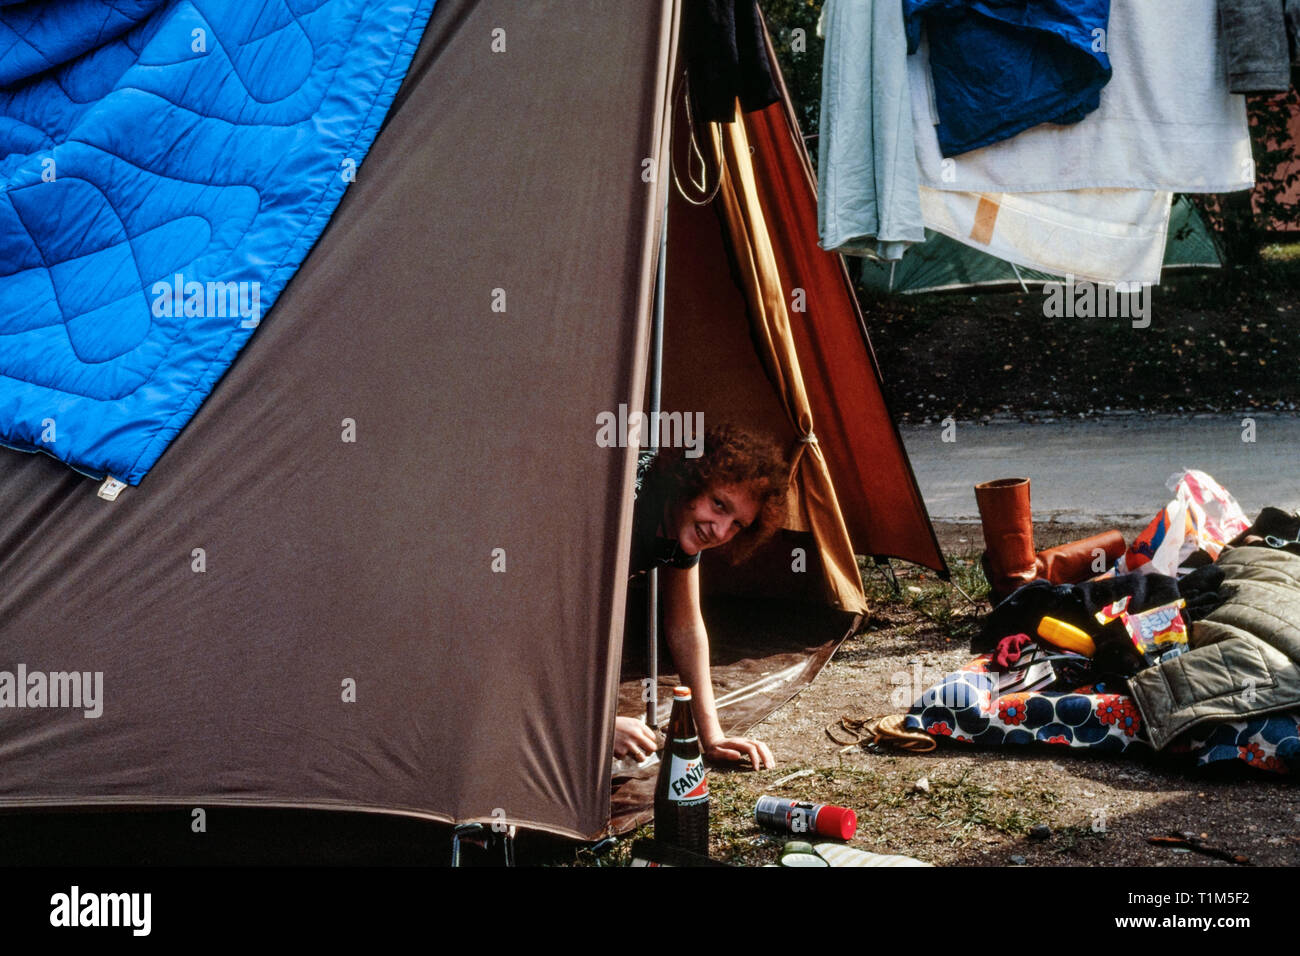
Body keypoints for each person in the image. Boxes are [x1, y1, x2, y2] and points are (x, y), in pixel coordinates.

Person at [613, 423, 788, 771]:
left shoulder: (679, 525)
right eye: (719, 505)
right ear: (689, 480)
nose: (720, 531)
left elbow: (686, 626)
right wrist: (597, 727)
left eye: (737, 524)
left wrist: (713, 737)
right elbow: (538, 625)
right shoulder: (621, 504)